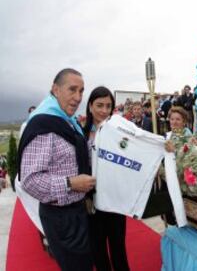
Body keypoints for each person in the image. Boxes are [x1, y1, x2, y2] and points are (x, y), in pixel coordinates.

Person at [18, 68, 95, 271]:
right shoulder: (45, 125)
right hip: (61, 217)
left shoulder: (68, 121)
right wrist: (71, 183)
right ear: (55, 89)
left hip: (77, 211)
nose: (78, 97)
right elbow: (29, 180)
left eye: (81, 91)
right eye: (72, 90)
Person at [83, 86, 130, 271]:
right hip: (92, 201)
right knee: (98, 248)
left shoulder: (120, 132)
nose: (104, 110)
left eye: (108, 106)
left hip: (116, 199)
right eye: (99, 105)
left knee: (118, 246)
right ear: (90, 106)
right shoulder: (82, 134)